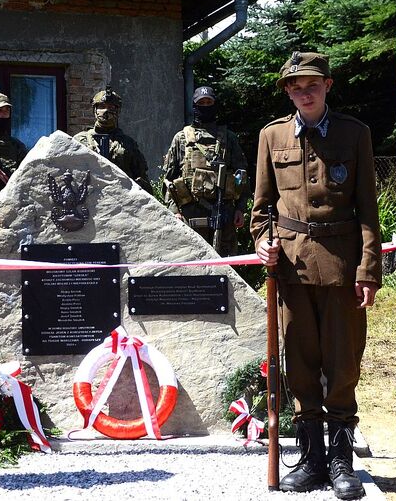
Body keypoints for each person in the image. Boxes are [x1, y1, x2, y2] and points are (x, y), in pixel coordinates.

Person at [251, 52, 382, 500]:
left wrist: (367, 270)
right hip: (291, 269)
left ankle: (343, 462)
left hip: (343, 269)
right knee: (301, 366)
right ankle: (311, 460)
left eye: (310, 84)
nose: (302, 92)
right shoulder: (272, 136)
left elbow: (368, 209)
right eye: (294, 86)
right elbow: (262, 210)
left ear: (328, 85)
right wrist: (262, 241)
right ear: (287, 91)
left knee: (342, 365)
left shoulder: (354, 133)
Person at [161, 86, 249, 256]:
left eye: (209, 102)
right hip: (189, 215)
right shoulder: (181, 138)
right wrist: (174, 212)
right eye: (201, 103)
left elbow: (242, 175)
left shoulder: (229, 138)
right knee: (191, 264)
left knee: (226, 265)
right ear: (194, 106)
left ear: (215, 105)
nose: (205, 105)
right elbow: (168, 180)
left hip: (223, 213)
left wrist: (240, 208)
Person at [74, 88, 151, 192]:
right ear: (94, 110)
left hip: (120, 198)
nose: (106, 111)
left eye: (111, 107)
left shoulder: (128, 144)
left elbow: (142, 179)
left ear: (117, 111)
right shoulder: (80, 140)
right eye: (102, 106)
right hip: (88, 198)